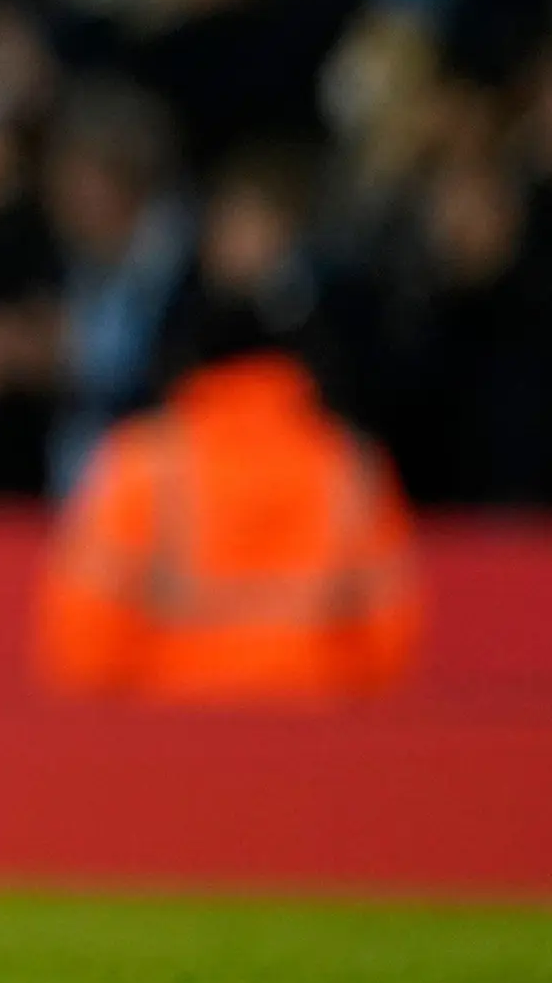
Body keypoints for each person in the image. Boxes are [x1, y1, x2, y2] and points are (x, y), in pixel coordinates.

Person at [35, 294, 422, 704]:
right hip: (310, 717)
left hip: (169, 722)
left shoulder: (144, 463)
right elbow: (389, 631)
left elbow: (84, 627)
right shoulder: (346, 466)